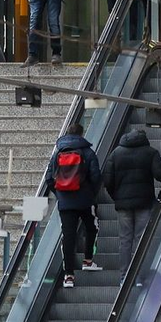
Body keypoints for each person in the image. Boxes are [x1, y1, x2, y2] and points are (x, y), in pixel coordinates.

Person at [103, 126, 161, 276]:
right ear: (144, 138)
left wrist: (117, 197)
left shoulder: (116, 154)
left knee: (125, 240)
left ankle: (124, 276)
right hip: (144, 203)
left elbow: (107, 180)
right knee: (141, 239)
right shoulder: (150, 152)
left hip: (123, 205)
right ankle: (140, 275)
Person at [50, 118, 102, 289]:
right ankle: (88, 260)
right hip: (85, 200)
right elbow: (95, 177)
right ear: (81, 134)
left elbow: (49, 178)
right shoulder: (87, 152)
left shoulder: (58, 152)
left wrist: (59, 193)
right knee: (92, 226)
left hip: (65, 202)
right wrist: (90, 194)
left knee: (68, 237)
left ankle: (69, 276)